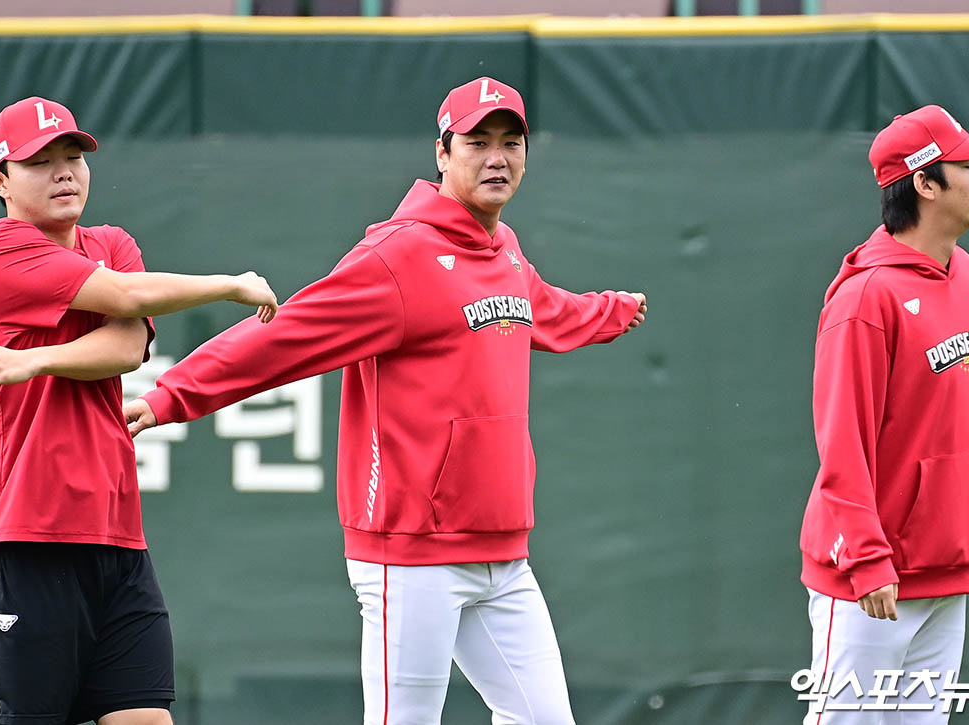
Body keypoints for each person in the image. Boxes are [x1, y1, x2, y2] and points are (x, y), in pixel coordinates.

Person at [123, 76, 647, 724]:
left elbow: (548, 310)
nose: (497, 158)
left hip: (502, 551)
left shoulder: (505, 251)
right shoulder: (399, 256)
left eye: (511, 143)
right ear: (442, 153)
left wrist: (612, 310)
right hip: (412, 552)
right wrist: (172, 393)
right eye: (477, 142)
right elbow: (286, 336)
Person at [0, 96, 278, 725]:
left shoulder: (112, 242)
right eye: (39, 162)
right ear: (0, 182)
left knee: (146, 717)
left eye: (73, 156)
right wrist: (231, 284)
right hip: (24, 531)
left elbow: (126, 346)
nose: (64, 172)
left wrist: (34, 360)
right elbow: (124, 296)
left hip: (115, 533)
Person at [798, 105, 969, 723]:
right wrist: (867, 559)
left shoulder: (968, 273)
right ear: (924, 183)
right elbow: (843, 440)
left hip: (947, 568)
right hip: (872, 581)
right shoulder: (865, 297)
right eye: (966, 165)